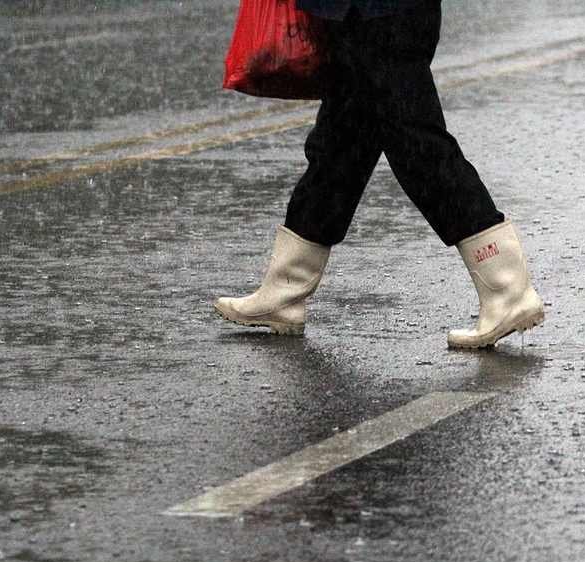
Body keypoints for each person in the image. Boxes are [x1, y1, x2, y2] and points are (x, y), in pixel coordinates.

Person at [215, 0, 544, 348]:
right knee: (339, 147)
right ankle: (283, 291)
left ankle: (506, 287)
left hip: (382, 13)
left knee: (416, 145)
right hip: (357, 12)